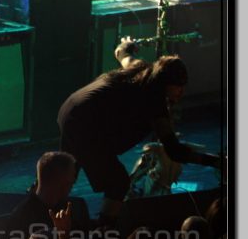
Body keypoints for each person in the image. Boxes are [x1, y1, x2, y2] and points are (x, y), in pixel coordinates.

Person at [58, 37, 222, 227]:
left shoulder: (141, 68)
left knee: (65, 168)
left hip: (72, 109)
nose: (181, 92)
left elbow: (122, 53)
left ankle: (44, 208)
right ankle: (104, 232)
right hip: (85, 123)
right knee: (118, 182)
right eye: (177, 87)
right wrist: (215, 161)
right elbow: (174, 151)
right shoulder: (154, 100)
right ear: (165, 83)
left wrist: (128, 44)